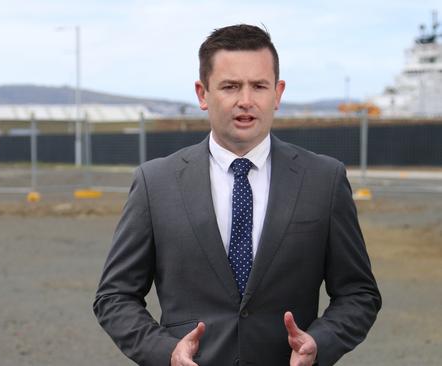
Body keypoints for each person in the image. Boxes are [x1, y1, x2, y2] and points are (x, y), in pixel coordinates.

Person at [93, 24, 381, 366]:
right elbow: (114, 296)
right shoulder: (156, 183)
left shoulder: (324, 180)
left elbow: (358, 293)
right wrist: (165, 351)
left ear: (277, 93)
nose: (246, 100)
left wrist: (319, 342)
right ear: (203, 94)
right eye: (230, 86)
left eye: (259, 86)